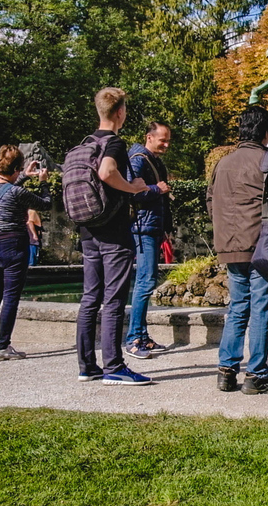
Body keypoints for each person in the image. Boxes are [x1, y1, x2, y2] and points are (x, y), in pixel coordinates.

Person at [207, 105, 268, 394]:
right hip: (261, 247)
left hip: (230, 247)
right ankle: (256, 375)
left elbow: (211, 202)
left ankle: (226, 371)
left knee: (238, 307)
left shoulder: (222, 163)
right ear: (267, 132)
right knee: (261, 311)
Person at [75, 87, 151, 385]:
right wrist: (134, 188)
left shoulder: (84, 143)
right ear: (119, 113)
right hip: (113, 229)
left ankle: (87, 366)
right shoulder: (114, 143)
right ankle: (114, 367)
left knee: (90, 296)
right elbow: (107, 172)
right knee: (114, 298)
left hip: (87, 227)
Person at [0, 146, 51, 361]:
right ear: (17, 168)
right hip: (12, 245)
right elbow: (46, 204)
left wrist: (22, 176)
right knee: (10, 297)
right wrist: (43, 182)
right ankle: (2, 346)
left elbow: (5, 193)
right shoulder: (17, 192)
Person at [124, 121, 173, 359]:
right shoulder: (137, 160)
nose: (166, 144)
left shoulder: (151, 160)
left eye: (168, 140)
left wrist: (165, 227)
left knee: (147, 281)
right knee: (144, 282)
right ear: (149, 137)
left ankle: (142, 336)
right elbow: (130, 192)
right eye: (162, 139)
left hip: (151, 227)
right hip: (142, 228)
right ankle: (133, 339)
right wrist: (157, 189)